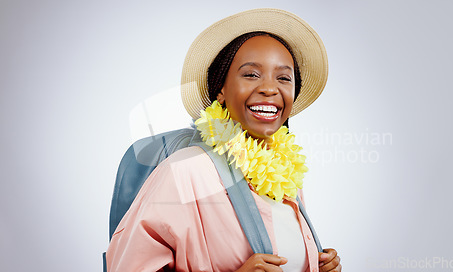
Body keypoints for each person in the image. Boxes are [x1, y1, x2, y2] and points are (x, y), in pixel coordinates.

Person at [106, 8, 341, 272]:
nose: (269, 88)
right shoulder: (184, 171)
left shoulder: (287, 177)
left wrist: (314, 263)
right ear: (221, 89)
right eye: (251, 74)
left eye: (284, 78)